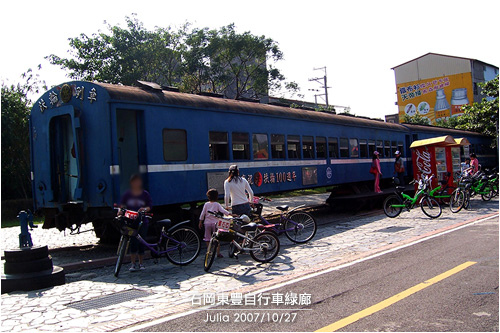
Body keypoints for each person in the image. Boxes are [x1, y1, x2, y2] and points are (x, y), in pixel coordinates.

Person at [118, 174, 152, 272]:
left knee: (141, 241)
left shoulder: (145, 194)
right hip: (131, 222)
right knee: (133, 241)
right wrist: (120, 211)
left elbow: (149, 205)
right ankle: (133, 263)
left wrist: (144, 209)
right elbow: (122, 205)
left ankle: (141, 263)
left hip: (142, 221)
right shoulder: (127, 194)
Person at [199, 189, 230, 258]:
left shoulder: (206, 204)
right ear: (216, 197)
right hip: (215, 223)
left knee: (207, 238)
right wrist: (230, 214)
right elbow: (223, 211)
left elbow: (202, 214)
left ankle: (208, 252)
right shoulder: (217, 204)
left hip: (207, 223)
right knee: (217, 238)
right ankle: (218, 253)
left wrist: (200, 221)